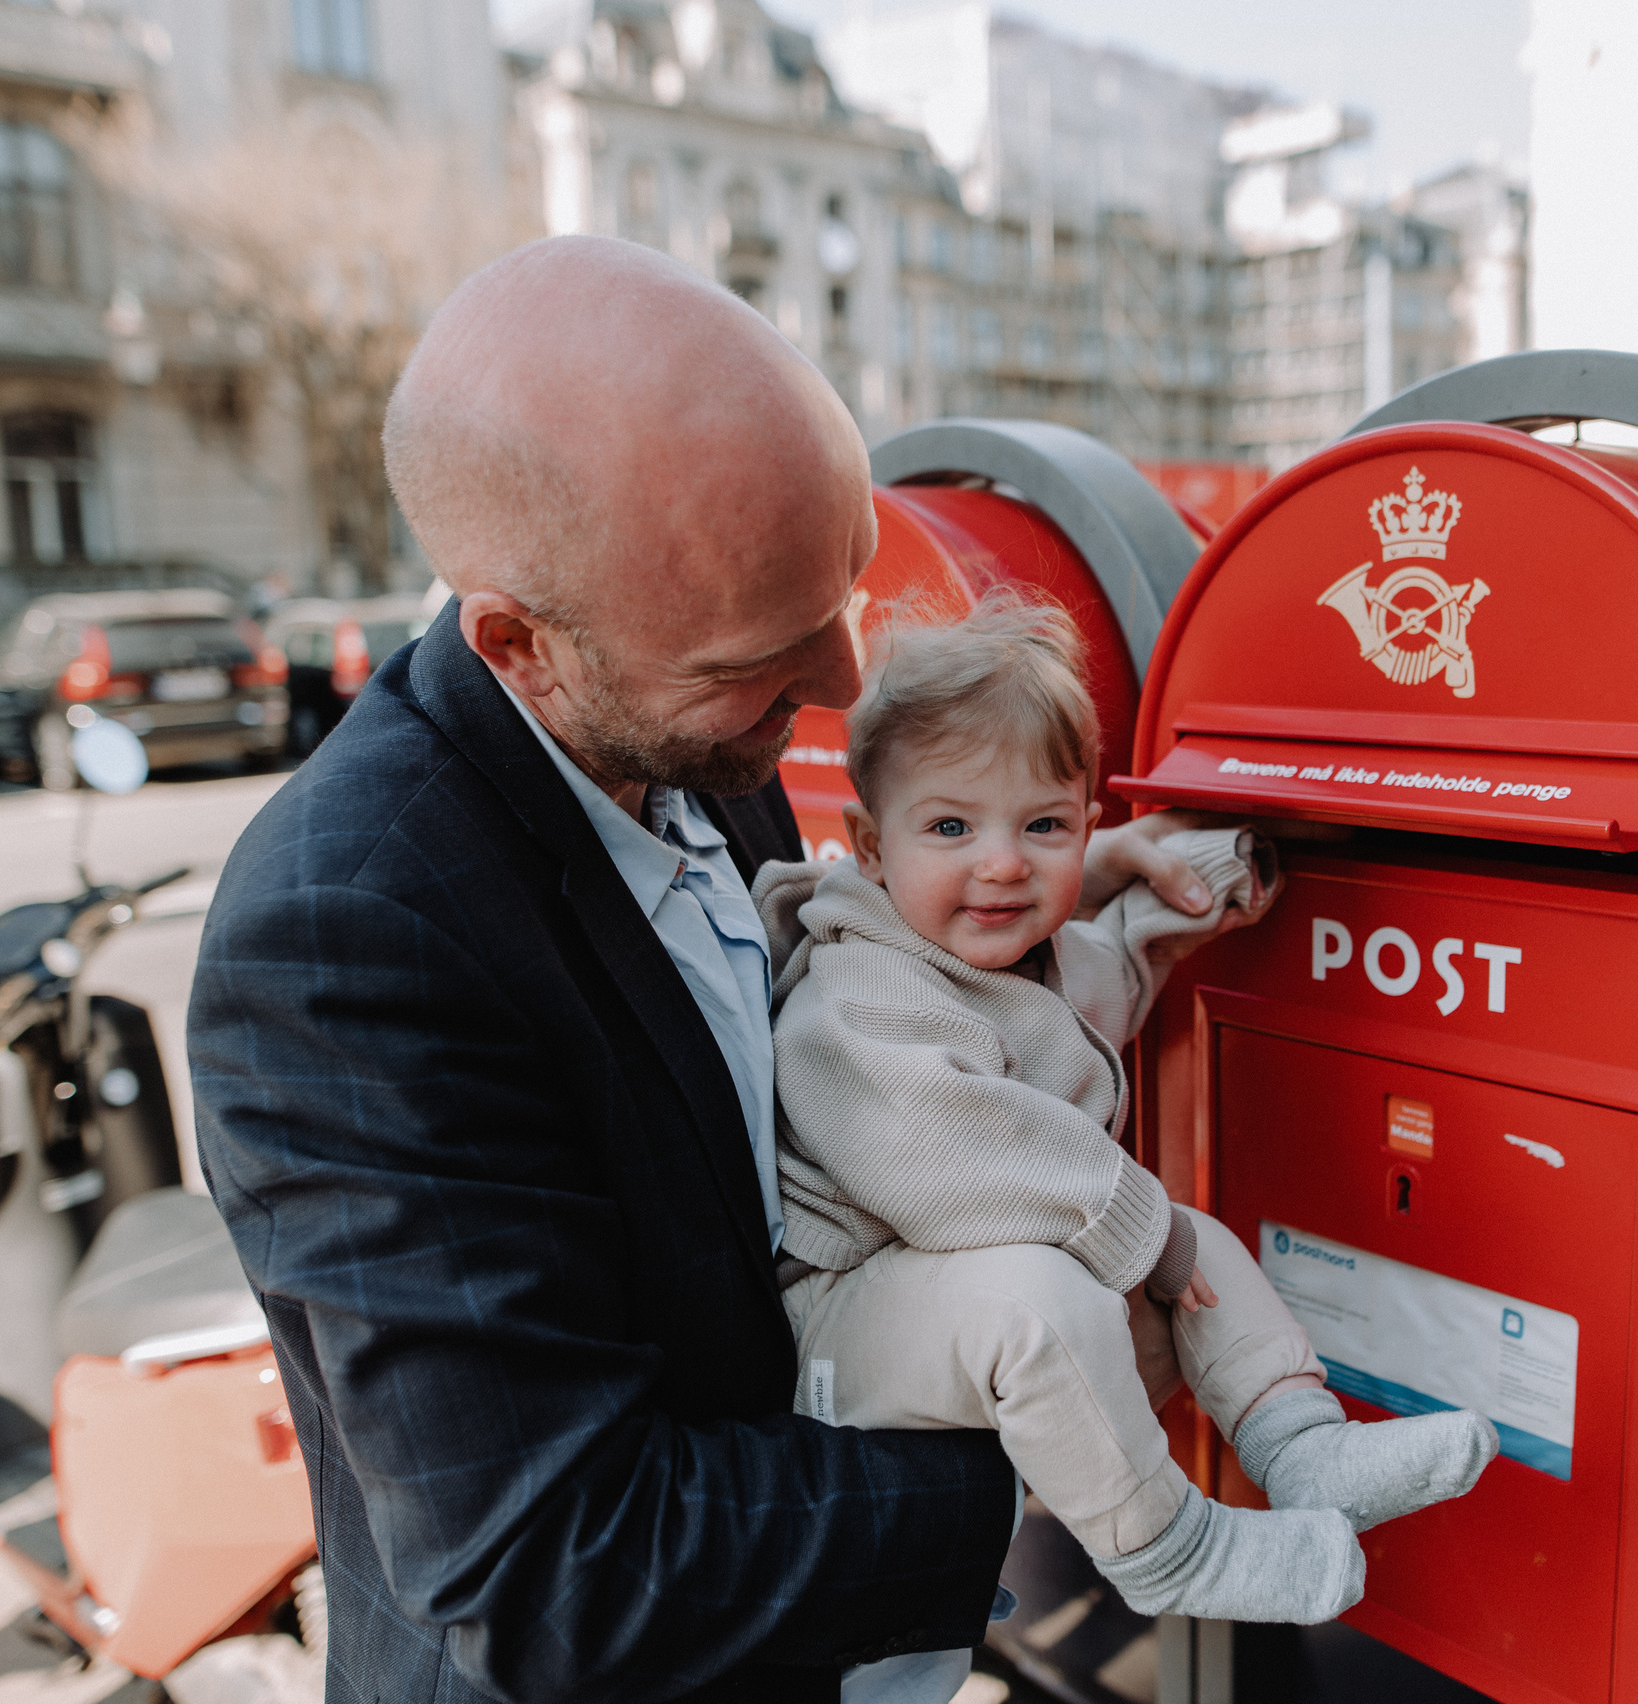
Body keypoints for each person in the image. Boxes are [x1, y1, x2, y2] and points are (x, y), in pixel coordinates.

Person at [187, 236, 1229, 1703]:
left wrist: (1059, 893)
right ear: (521, 647)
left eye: (850, 581)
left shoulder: (681, 737)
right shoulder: (350, 936)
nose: (844, 683)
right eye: (764, 652)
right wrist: (1060, 1447)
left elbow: (814, 1051)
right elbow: (555, 1569)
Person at [757, 597, 1500, 1658]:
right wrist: (1142, 1233)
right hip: (838, 1324)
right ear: (871, 846)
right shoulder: (857, 994)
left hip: (946, 1289)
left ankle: (1300, 1442)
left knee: (1195, 1238)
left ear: (1088, 822)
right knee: (1051, 1291)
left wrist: (1199, 894)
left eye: (1044, 826)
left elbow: (1111, 975)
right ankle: (1168, 1547)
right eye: (952, 828)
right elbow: (951, 1150)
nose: (1005, 863)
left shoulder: (1014, 955)